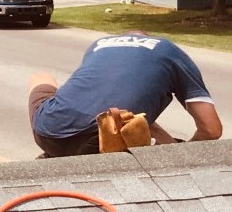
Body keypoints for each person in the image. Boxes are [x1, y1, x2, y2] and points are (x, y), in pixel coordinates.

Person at [28, 32, 222, 157]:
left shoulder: (99, 44)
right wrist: (181, 156)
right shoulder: (168, 50)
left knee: (41, 76)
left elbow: (126, 112)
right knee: (124, 117)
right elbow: (211, 130)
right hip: (103, 140)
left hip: (48, 132)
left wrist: (169, 144)